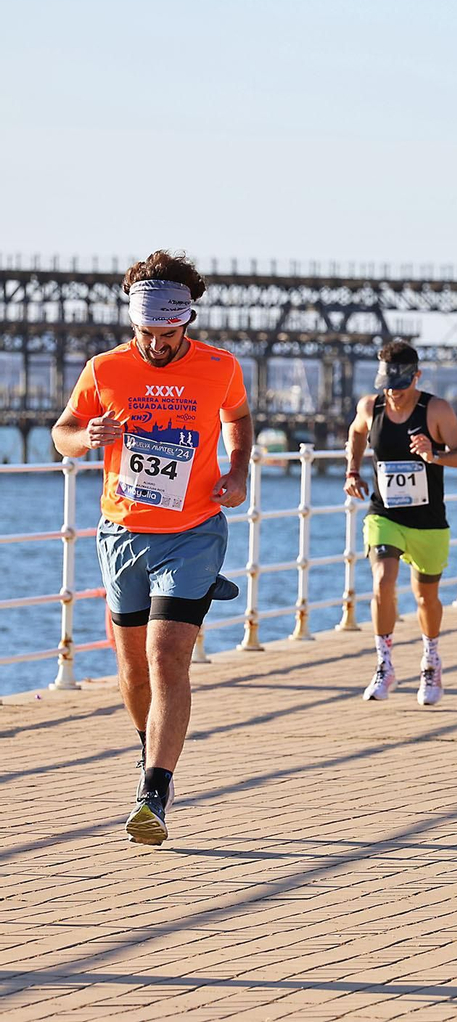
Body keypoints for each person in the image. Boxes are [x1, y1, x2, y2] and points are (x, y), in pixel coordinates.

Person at [52, 251, 252, 845]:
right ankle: (151, 751)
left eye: (166, 334)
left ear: (186, 320)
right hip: (122, 533)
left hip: (193, 531)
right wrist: (83, 437)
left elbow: (238, 418)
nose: (155, 344)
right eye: (145, 333)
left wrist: (238, 468)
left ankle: (155, 793)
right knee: (133, 669)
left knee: (168, 658)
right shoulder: (104, 369)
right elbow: (62, 435)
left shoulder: (220, 366)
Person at [343, 341, 457, 706]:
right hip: (385, 513)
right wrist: (352, 470)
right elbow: (356, 433)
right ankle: (384, 664)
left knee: (425, 597)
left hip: (428, 520)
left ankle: (431, 660)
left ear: (416, 377)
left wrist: (434, 455)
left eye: (400, 385)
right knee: (383, 580)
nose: (393, 393)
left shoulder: (436, 410)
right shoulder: (371, 406)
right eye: (387, 384)